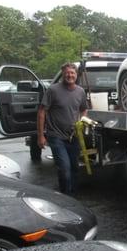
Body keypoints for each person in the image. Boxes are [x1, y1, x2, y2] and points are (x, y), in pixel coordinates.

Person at [37, 62, 88, 194]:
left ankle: (73, 196)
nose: (69, 75)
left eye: (72, 73)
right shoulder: (53, 90)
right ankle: (66, 197)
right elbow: (42, 112)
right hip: (56, 136)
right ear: (62, 75)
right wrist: (41, 136)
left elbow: (83, 110)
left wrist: (81, 122)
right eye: (67, 73)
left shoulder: (80, 91)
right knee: (65, 169)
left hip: (73, 136)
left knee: (74, 168)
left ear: (76, 75)